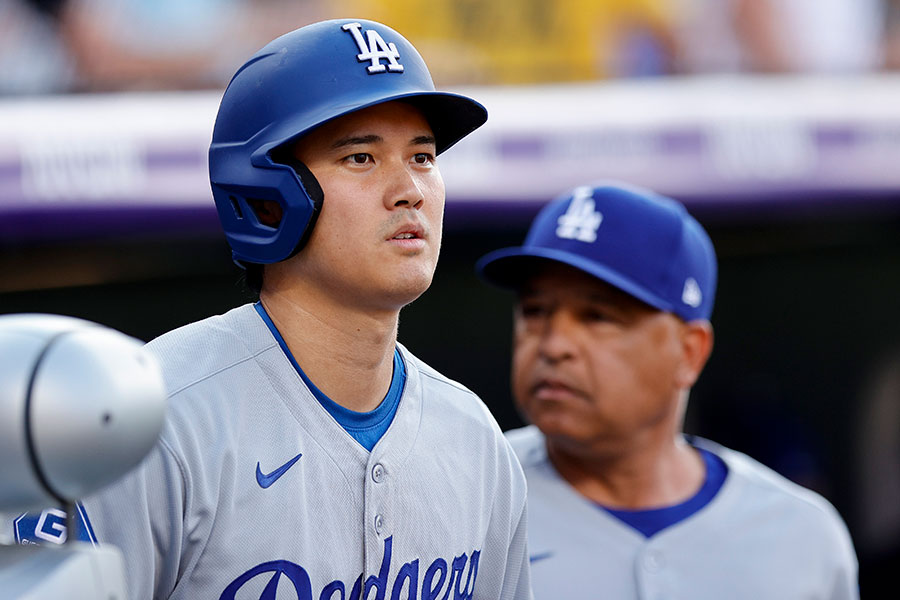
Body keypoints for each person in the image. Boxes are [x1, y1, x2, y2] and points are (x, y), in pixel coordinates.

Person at [8, 19, 532, 599]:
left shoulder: (475, 439)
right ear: (265, 193)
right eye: (361, 158)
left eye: (424, 156)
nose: (408, 187)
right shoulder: (150, 421)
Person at [476, 182, 859, 599]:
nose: (553, 345)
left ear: (689, 352)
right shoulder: (463, 498)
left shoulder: (802, 536)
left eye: (597, 316)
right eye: (535, 311)